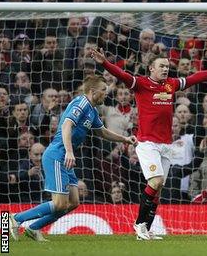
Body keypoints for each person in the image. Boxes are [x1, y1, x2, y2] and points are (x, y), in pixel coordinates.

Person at [91, 47, 207, 240]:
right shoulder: (141, 83)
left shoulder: (171, 84)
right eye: (161, 66)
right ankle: (139, 224)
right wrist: (104, 63)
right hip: (147, 144)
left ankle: (146, 230)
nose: (165, 69)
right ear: (151, 68)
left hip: (166, 145)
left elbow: (196, 78)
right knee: (156, 181)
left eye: (167, 66)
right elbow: (121, 74)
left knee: (157, 189)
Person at [8, 75, 136, 242]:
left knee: (73, 201)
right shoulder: (81, 102)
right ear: (93, 91)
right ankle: (15, 218)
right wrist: (69, 151)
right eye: (104, 90)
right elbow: (67, 124)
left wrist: (124, 139)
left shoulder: (92, 110)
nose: (107, 94)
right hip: (57, 155)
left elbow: (102, 131)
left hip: (65, 158)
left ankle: (33, 228)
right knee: (60, 203)